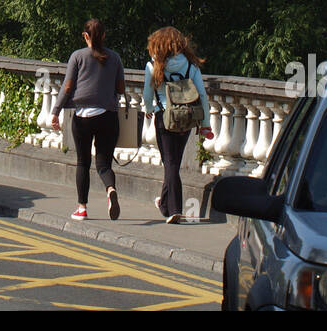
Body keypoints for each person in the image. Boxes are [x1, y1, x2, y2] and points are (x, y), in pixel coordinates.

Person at [50, 20, 124, 221]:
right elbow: (121, 89)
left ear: (86, 36)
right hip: (108, 116)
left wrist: (56, 111)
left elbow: (67, 87)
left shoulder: (77, 56)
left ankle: (82, 208)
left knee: (83, 163)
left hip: (82, 118)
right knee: (104, 164)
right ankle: (110, 190)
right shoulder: (115, 57)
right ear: (104, 36)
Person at [142, 27, 213, 224]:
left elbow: (147, 94)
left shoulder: (153, 66)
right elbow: (202, 96)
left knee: (170, 163)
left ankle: (174, 209)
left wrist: (148, 108)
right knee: (172, 162)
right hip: (187, 119)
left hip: (164, 117)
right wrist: (205, 124)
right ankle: (164, 203)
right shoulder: (191, 66)